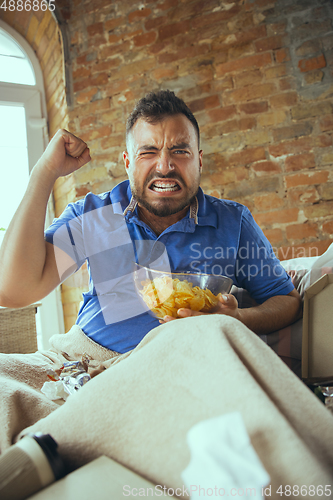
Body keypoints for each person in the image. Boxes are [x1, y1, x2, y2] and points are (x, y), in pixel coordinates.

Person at [0, 90, 301, 355]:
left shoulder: (232, 222)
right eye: (149, 152)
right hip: (92, 364)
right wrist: (43, 174)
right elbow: (14, 291)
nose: (165, 166)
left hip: (188, 365)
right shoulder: (91, 215)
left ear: (199, 160)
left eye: (179, 151)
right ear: (128, 163)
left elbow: (286, 300)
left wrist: (236, 319)